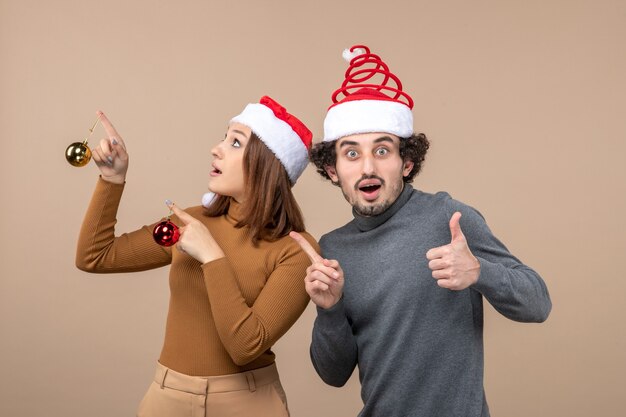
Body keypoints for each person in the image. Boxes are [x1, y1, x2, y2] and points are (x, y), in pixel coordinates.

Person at [290, 45, 552, 417]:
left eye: (382, 151)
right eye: (351, 154)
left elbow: (538, 304)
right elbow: (333, 375)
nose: (368, 168)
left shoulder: (448, 217)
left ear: (407, 162)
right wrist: (328, 309)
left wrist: (479, 272)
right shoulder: (334, 248)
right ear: (333, 170)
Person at [75, 96, 318, 417]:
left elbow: (245, 347)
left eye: (234, 142)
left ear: (266, 163)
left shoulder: (295, 249)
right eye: (224, 137)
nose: (216, 149)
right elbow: (96, 256)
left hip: (248, 404)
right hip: (167, 400)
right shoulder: (192, 222)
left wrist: (212, 257)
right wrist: (111, 179)